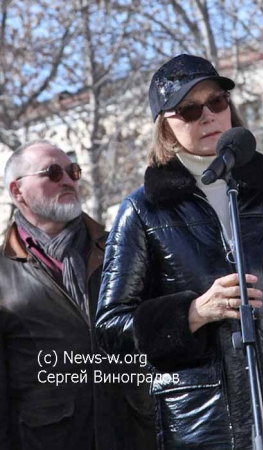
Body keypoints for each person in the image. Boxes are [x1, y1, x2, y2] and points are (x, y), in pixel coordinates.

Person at [96, 54, 263, 450]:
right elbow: (109, 328)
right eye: (189, 110)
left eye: (217, 102)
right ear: (165, 128)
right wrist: (193, 313)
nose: (208, 115)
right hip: (206, 426)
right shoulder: (142, 210)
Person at [0, 140, 155, 450]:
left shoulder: (122, 248)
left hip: (134, 433)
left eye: (73, 171)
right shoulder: (3, 275)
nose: (69, 179)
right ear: (17, 192)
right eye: (53, 173)